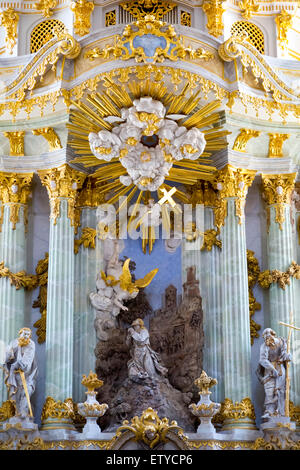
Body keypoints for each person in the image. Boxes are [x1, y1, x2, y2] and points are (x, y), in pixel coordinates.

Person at [256, 328, 291, 419]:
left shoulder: (282, 342)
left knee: (280, 390)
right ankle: (270, 411)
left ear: (273, 335)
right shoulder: (264, 346)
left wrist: (287, 356)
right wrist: (272, 369)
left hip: (280, 369)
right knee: (269, 391)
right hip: (269, 370)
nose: (268, 340)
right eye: (266, 338)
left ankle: (280, 412)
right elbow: (262, 360)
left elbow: (284, 355)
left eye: (269, 336)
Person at [3, 327, 37, 419]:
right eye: (24, 334)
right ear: (20, 334)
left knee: (27, 391)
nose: (26, 336)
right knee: (16, 392)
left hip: (28, 374)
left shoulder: (31, 344)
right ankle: (18, 412)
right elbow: (7, 357)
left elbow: (27, 361)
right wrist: (8, 356)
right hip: (15, 374)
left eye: (28, 334)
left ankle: (24, 412)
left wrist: (20, 364)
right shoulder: (14, 343)